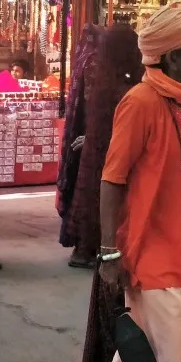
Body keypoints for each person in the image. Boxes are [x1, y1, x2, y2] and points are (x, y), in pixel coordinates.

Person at [89, 5, 181, 362]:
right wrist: (109, 252)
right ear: (172, 56)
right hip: (154, 253)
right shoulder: (140, 102)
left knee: (146, 333)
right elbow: (112, 179)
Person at [78, 23, 145, 362]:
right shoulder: (130, 93)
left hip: (104, 182)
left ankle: (109, 356)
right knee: (121, 275)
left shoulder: (103, 87)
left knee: (109, 272)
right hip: (123, 187)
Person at [57, 24, 102, 267]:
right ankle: (84, 250)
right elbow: (92, 99)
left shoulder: (84, 56)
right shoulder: (94, 61)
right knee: (91, 191)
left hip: (83, 131)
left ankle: (83, 248)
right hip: (90, 133)